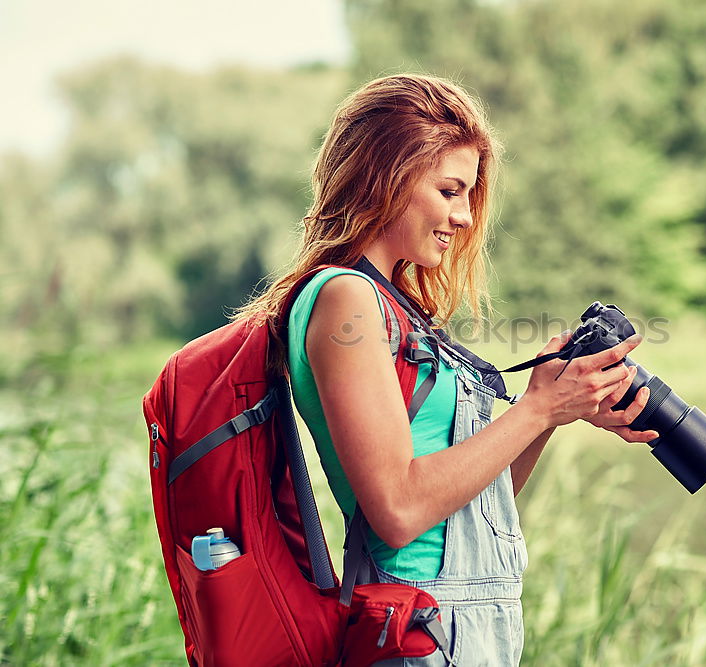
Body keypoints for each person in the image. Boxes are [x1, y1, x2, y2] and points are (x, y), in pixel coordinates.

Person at [243, 73, 659, 665]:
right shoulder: (346, 299)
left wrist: (549, 411)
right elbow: (398, 510)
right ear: (387, 176)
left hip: (467, 624)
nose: (464, 216)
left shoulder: (399, 305)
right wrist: (537, 407)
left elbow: (478, 502)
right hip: (422, 627)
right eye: (450, 190)